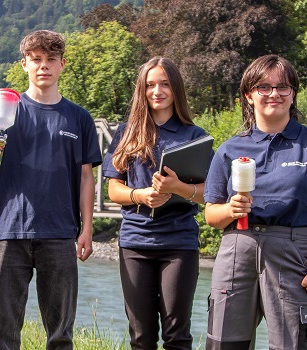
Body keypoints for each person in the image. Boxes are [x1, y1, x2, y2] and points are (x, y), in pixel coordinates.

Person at [203, 54, 307, 349]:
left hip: (294, 251)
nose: (274, 94)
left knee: (292, 344)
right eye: (263, 87)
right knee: (224, 343)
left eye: (283, 87)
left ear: (293, 93)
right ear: (248, 95)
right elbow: (211, 214)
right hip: (237, 249)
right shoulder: (230, 149)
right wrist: (230, 209)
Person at [0, 30, 102, 349]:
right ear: (24, 65)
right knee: (3, 334)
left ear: (62, 65)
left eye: (50, 60)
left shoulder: (79, 118)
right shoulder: (7, 110)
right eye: (36, 60)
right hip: (9, 231)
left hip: (60, 233)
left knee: (60, 335)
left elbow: (87, 177)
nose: (43, 66)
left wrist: (87, 229)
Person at [102, 57, 209, 349]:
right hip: (135, 243)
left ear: (176, 88)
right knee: (141, 336)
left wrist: (179, 188)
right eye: (150, 85)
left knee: (177, 336)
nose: (157, 91)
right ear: (142, 89)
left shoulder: (194, 136)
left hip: (179, 244)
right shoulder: (126, 133)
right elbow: (113, 189)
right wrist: (141, 195)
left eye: (164, 84)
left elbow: (208, 194)